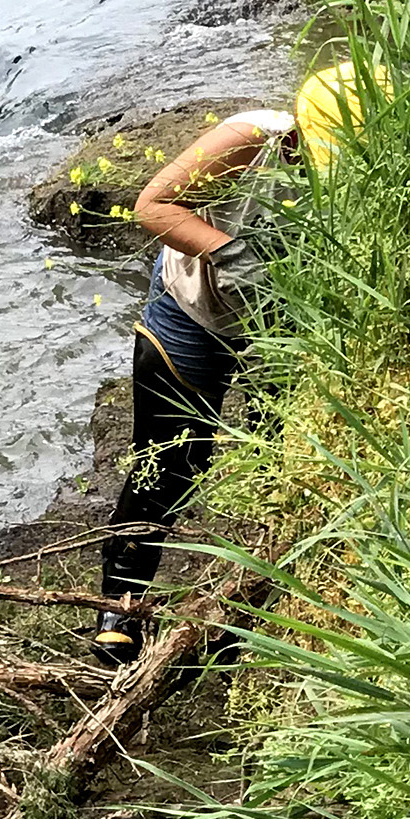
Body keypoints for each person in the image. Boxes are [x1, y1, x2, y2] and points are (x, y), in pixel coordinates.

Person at [90, 68, 353, 668]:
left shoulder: (387, 168)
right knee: (170, 456)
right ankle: (120, 610)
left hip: (295, 324)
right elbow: (152, 206)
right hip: (195, 308)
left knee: (284, 456)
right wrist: (229, 251)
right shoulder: (256, 137)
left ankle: (261, 598)